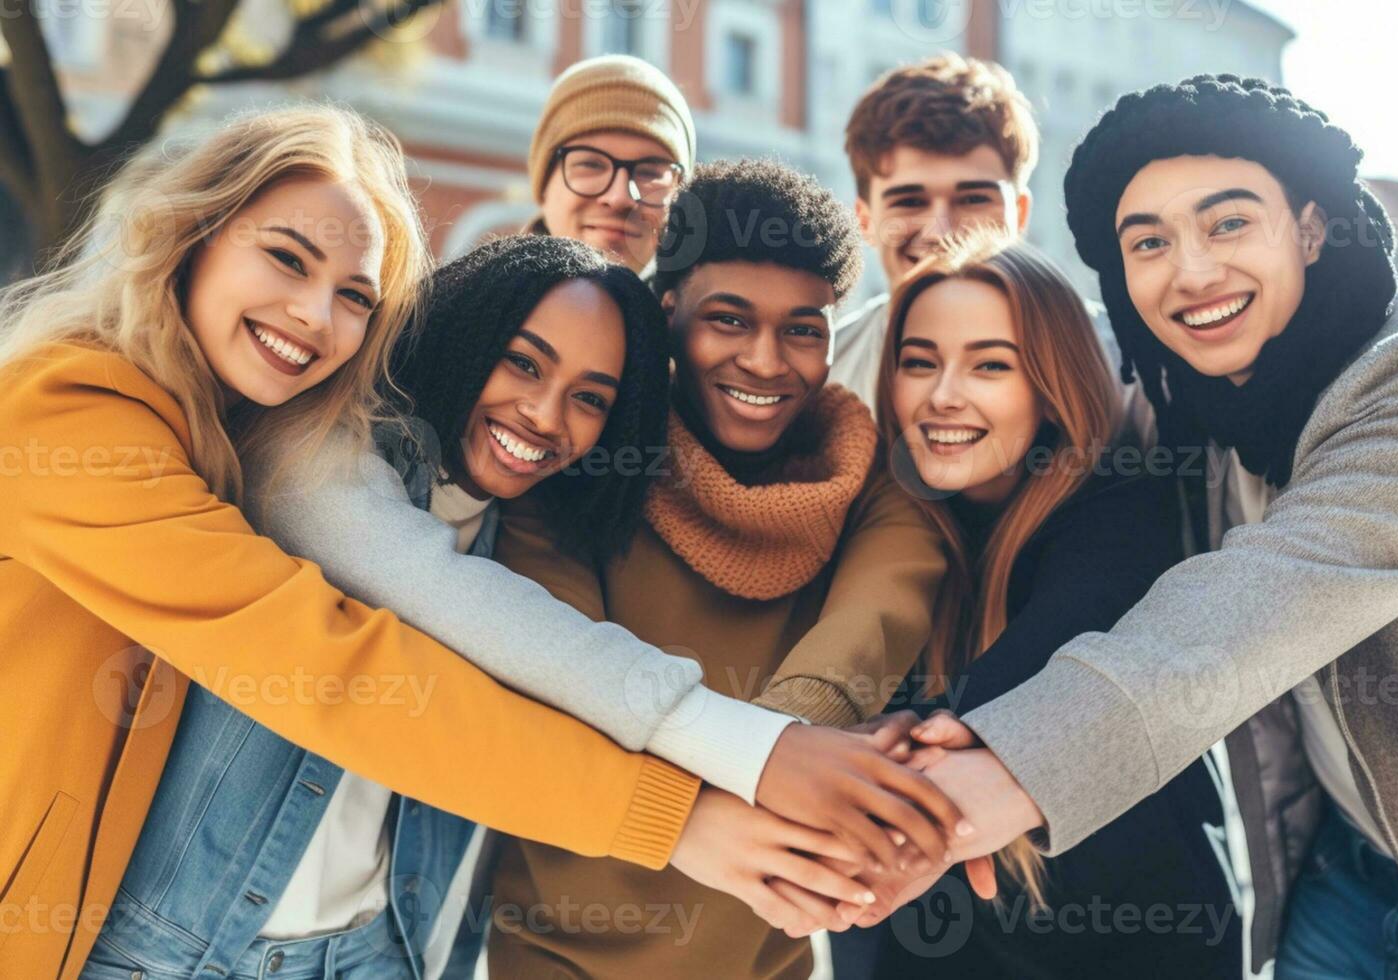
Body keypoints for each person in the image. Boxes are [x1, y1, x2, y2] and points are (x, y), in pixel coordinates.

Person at [868, 75, 1398, 980]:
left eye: (1228, 223)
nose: (1191, 272)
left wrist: (1015, 763)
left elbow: (1242, 613)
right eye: (1148, 242)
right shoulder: (1188, 408)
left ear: (1309, 228)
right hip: (1349, 872)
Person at [230, 234, 962, 977]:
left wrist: (822, 755)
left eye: (590, 399)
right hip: (212, 944)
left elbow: (883, 606)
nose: (547, 415)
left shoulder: (515, 510)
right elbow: (517, 641)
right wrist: (756, 755)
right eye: (522, 361)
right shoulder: (318, 457)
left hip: (400, 949)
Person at [487, 158, 953, 979]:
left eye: (803, 329)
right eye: (729, 321)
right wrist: (766, 765)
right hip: (558, 954)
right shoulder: (584, 461)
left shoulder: (871, 479)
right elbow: (556, 677)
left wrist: (779, 741)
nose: (768, 362)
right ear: (668, 316)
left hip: (770, 959)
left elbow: (876, 621)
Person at [864, 232, 1239, 978]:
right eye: (919, 362)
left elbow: (1049, 644)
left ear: (1050, 383)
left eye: (991, 365)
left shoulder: (1122, 503)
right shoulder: (882, 518)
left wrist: (891, 746)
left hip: (1140, 940)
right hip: (943, 938)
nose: (943, 395)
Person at [828, 53, 1144, 442]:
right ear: (864, 221)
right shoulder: (826, 371)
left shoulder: (1127, 364)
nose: (942, 231)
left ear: (1021, 214)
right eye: (909, 202)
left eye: (974, 199)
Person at [523, 54, 693, 274]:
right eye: (590, 164)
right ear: (543, 184)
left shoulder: (694, 305)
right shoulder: (472, 306)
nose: (619, 197)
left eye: (650, 172)